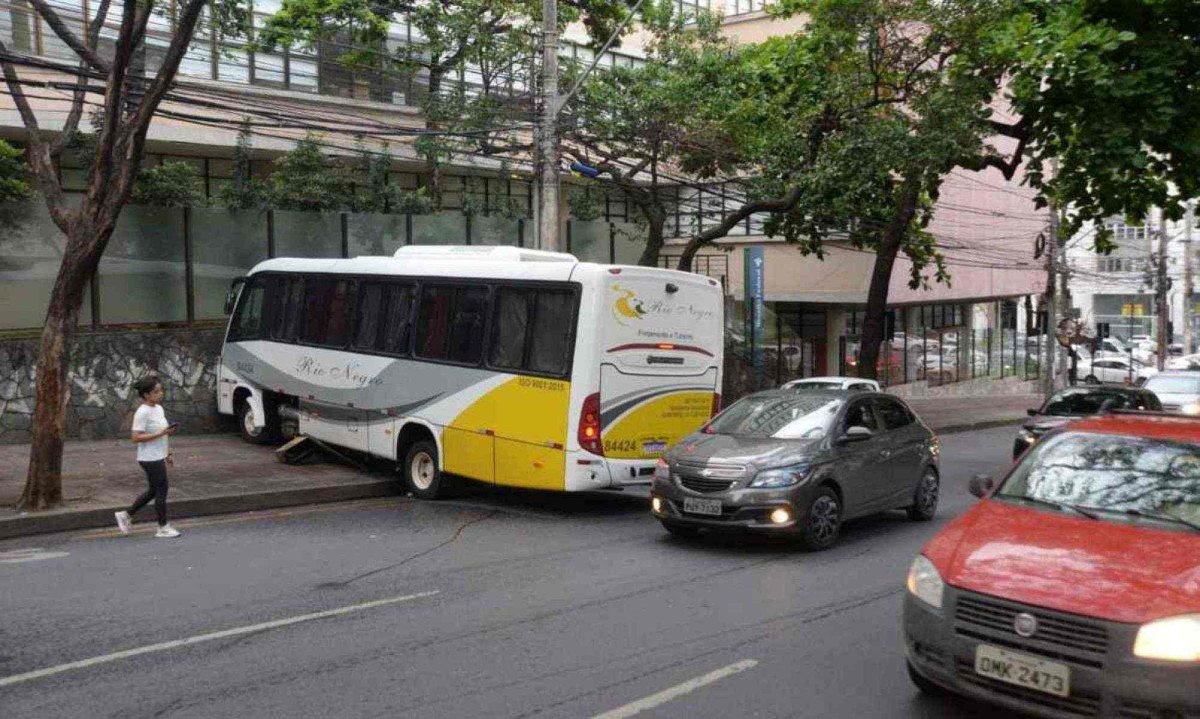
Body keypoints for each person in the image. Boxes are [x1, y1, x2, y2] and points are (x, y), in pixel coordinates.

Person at [115, 377, 181, 538]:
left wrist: (168, 453)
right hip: (149, 458)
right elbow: (135, 437)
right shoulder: (142, 412)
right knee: (161, 490)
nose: (160, 394)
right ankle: (162, 527)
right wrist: (161, 433)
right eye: (156, 391)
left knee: (153, 490)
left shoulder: (158, 409)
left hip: (158, 454)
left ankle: (126, 515)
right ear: (145, 395)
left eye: (161, 390)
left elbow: (163, 434)